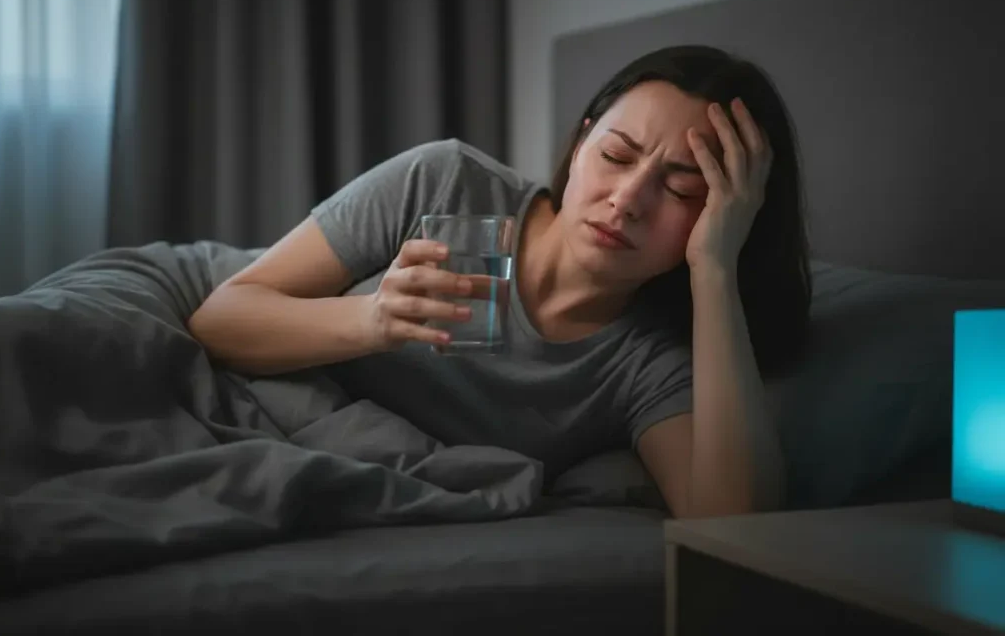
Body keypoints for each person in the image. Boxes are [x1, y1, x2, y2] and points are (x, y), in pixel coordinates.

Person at [187, 44, 812, 518]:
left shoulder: (651, 358)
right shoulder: (446, 182)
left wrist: (716, 269)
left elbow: (734, 524)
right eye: (617, 156)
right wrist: (373, 320)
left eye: (681, 189)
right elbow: (221, 318)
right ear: (584, 138)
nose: (627, 200)